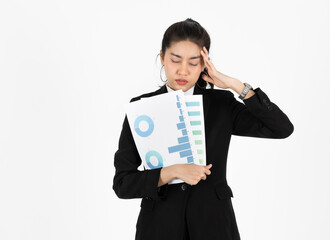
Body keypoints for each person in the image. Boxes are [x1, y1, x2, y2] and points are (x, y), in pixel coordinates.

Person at [112, 18, 294, 240]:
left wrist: (235, 85)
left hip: (214, 225)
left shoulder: (221, 104)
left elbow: (281, 128)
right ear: (162, 58)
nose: (183, 70)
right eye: (175, 60)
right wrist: (172, 171)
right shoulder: (141, 108)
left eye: (193, 62)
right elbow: (122, 184)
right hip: (159, 227)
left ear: (205, 63)